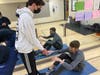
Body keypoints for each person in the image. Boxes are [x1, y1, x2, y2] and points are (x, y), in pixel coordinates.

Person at [15, 0, 48, 75]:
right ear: (33, 5)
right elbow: (32, 38)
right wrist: (42, 49)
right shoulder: (26, 17)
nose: (39, 9)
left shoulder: (25, 15)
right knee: (30, 70)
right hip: (25, 49)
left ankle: (37, 73)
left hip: (28, 46)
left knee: (33, 64)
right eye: (39, 7)